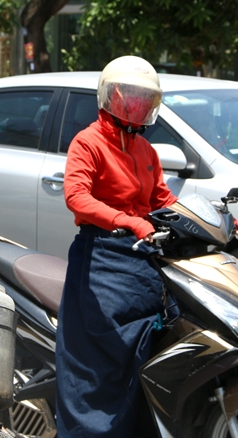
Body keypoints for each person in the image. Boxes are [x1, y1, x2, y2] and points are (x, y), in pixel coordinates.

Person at [55, 56, 179, 438]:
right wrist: (126, 220)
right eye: (131, 97)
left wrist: (209, 222)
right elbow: (76, 197)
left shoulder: (147, 151)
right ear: (111, 98)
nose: (138, 106)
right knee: (105, 358)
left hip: (142, 258)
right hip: (102, 257)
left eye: (146, 99)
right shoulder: (88, 142)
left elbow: (163, 200)